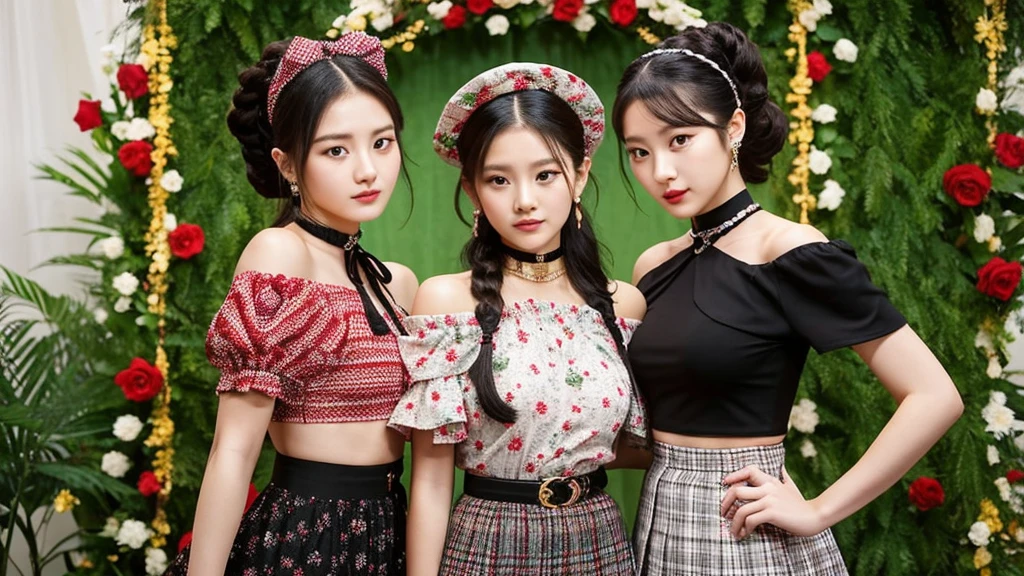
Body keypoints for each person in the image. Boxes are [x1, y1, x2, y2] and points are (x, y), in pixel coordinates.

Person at [611, 21, 963, 575]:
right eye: (638, 151)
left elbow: (935, 395)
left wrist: (820, 509)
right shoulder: (653, 266)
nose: (661, 170)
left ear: (734, 128)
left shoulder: (791, 252)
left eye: (680, 139)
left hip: (742, 530)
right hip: (657, 521)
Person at [165, 33, 417, 575]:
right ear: (288, 164)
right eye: (335, 150)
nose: (368, 169)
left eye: (382, 141)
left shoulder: (395, 284)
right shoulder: (281, 253)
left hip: (388, 532)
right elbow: (234, 450)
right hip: (310, 537)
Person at [390, 63, 647, 575]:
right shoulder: (445, 303)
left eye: (545, 174)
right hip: (487, 540)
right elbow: (432, 482)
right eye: (499, 180)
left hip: (600, 542)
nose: (525, 200)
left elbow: (644, 446)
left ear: (579, 176)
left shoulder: (624, 305)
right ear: (472, 192)